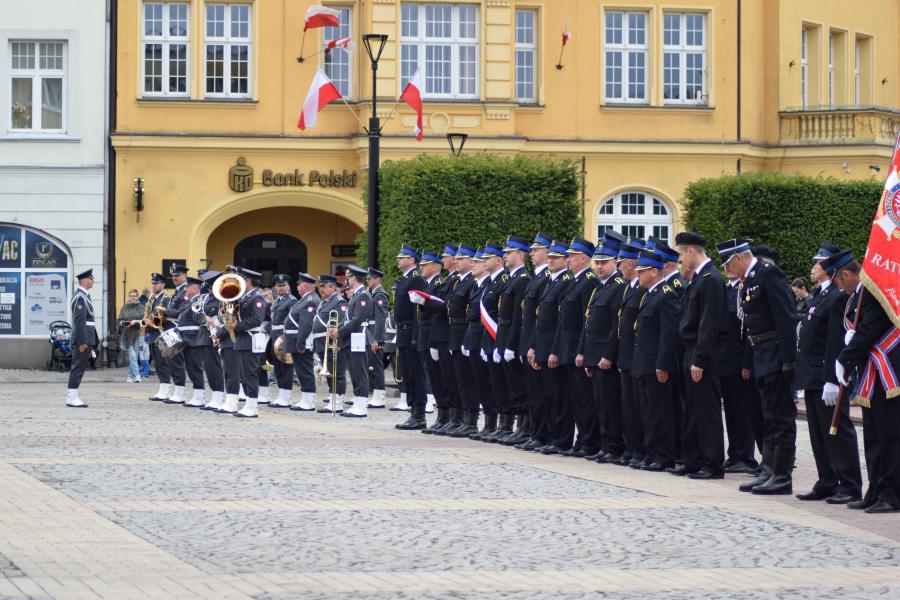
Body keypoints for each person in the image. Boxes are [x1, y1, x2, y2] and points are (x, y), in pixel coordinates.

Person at [717, 239, 798, 495]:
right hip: (762, 354)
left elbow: (785, 317)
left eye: (729, 263)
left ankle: (782, 475)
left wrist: (788, 359)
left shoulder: (768, 273)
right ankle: (769, 470)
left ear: (740, 257)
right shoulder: (750, 278)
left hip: (775, 354)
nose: (727, 269)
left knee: (781, 418)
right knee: (768, 417)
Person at [794, 244, 863, 504]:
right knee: (818, 433)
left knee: (837, 430)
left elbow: (836, 339)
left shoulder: (838, 297)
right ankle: (827, 480)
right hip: (813, 374)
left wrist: (834, 380)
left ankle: (849, 484)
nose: (817, 266)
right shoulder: (820, 295)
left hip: (828, 374)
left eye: (821, 262)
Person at [832, 250, 897, 513]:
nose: (838, 286)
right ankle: (875, 489)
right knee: (872, 436)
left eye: (838, 280)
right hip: (871, 375)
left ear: (846, 274)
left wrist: (845, 358)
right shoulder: (857, 296)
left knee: (889, 437)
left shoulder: (875, 292)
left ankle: (892, 494)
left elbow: (870, 329)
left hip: (888, 375)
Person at [674, 232, 726, 479]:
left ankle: (712, 463)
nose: (681, 260)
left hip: (702, 352)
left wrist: (700, 359)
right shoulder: (699, 279)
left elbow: (709, 324)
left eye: (682, 254)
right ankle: (693, 459)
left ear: (692, 251)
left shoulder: (711, 279)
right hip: (692, 350)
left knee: (707, 410)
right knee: (692, 409)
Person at [577, 231, 626, 462]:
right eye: (597, 262)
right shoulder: (599, 287)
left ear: (615, 261)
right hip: (594, 356)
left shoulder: (617, 286)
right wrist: (586, 355)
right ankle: (606, 445)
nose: (599, 266)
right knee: (600, 405)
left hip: (605, 357)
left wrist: (607, 355)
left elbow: (614, 326)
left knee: (610, 405)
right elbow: (589, 324)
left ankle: (614, 446)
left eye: (604, 262)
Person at [632, 250, 681, 471]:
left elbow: (669, 334)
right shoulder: (650, 294)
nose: (637, 274)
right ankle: (651, 453)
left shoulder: (666, 294)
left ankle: (664, 455)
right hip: (644, 362)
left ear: (653, 272)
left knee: (660, 411)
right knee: (648, 411)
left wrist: (663, 364)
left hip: (656, 365)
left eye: (642, 271)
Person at [527, 241, 572, 455]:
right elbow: (540, 320)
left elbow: (559, 322)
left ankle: (560, 439)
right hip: (543, 346)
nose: (551, 260)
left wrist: (553, 350)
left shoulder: (564, 282)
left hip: (554, 348)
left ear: (566, 260)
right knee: (545, 395)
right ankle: (544, 436)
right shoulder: (550, 282)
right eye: (550, 257)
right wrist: (534, 347)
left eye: (556, 258)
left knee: (558, 397)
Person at [555, 237, 598, 457]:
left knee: (584, 399)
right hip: (567, 348)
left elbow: (585, 321)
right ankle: (581, 440)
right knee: (575, 398)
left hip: (577, 349)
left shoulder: (589, 281)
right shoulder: (574, 281)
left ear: (583, 258)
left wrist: (582, 350)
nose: (567, 260)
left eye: (571, 256)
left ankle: (588, 441)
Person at [513, 233, 552, 450]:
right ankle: (535, 432)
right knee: (532, 392)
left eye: (537, 250)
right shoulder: (537, 277)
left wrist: (533, 345)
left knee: (540, 393)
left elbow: (540, 317)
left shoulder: (545, 277)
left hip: (536, 343)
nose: (533, 253)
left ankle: (541, 434)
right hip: (527, 341)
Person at [613, 238, 648, 468]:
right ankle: (631, 447)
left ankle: (642, 449)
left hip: (637, 357)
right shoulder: (629, 288)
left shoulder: (644, 290)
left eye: (621, 261)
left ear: (629, 264)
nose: (618, 266)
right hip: (624, 355)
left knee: (640, 406)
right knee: (628, 406)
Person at [495, 236, 532, 445]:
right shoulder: (512, 278)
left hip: (512, 338)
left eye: (509, 253)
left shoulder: (523, 279)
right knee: (510, 385)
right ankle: (513, 425)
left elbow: (519, 316)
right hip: (504, 335)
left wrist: (510, 344)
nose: (505, 256)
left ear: (520, 255)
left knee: (519, 385)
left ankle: (524, 427)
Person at [476, 243, 510, 441]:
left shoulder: (503, 280)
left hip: (497, 338)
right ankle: (492, 423)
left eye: (487, 258)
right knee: (489, 384)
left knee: (501, 384)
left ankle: (504, 424)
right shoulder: (488, 282)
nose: (483, 262)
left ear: (498, 260)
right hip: (487, 339)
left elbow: (500, 314)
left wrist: (501, 343)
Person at [445, 245, 479, 437]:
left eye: (461, 259)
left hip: (464, 331)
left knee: (467, 380)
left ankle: (470, 420)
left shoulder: (471, 282)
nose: (456, 261)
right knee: (457, 379)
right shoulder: (458, 282)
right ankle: (458, 418)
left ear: (471, 262)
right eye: (455, 258)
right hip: (454, 332)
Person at [394, 246, 428, 430]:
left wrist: (416, 336)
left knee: (416, 374)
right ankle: (413, 411)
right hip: (402, 332)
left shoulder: (416, 279)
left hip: (411, 331)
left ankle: (420, 414)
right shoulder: (405, 279)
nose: (398, 259)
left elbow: (418, 310)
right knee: (407, 374)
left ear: (412, 260)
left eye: (402, 257)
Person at [337, 265, 374, 417]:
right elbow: (348, 319)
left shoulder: (363, 295)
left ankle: (361, 406)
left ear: (353, 277)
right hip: (353, 338)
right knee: (354, 372)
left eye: (349, 277)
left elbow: (357, 320)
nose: (347, 279)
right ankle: (357, 403)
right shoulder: (357, 295)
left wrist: (339, 331)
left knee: (360, 372)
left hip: (359, 337)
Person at [283, 273, 321, 411]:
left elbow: (306, 325)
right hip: (298, 340)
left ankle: (309, 401)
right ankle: (306, 398)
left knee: (304, 371)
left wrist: (300, 343)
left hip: (302, 341)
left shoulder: (310, 300)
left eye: (299, 284)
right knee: (301, 371)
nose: (297, 287)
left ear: (304, 285)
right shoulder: (306, 299)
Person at [312, 274, 348, 413]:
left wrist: (338, 342)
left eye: (324, 286)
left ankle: (338, 402)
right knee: (328, 373)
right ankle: (332, 398)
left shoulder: (339, 302)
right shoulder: (324, 302)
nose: (321, 289)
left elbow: (342, 323)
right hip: (321, 342)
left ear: (333, 287)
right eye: (320, 286)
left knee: (337, 373)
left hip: (333, 342)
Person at [416, 250, 445, 422]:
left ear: (435, 266)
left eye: (424, 265)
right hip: (424, 332)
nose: (421, 268)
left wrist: (423, 302)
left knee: (437, 375)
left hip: (432, 332)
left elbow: (439, 308)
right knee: (431, 374)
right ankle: (441, 417)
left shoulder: (439, 282)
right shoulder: (427, 284)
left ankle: (445, 416)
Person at [173, 276, 208, 407]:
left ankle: (200, 397)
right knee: (190, 368)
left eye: (188, 287)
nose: (186, 289)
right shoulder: (190, 301)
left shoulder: (197, 301)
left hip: (194, 339)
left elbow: (198, 319)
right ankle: (197, 395)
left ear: (194, 288)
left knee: (195, 368)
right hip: (187, 339)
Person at [66, 269, 98, 408]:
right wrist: (83, 342)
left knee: (79, 367)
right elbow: (79, 322)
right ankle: (72, 398)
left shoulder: (84, 296)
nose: (93, 280)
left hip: (86, 338)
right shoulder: (80, 297)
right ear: (85, 281)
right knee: (77, 367)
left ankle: (72, 396)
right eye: (91, 278)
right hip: (82, 340)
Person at [269, 274, 298, 408]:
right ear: (275, 287)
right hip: (274, 335)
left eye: (283, 285)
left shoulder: (292, 301)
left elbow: (291, 321)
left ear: (288, 286)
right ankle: (281, 395)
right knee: (278, 367)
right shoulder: (275, 301)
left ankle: (286, 397)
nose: (281, 288)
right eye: (278, 286)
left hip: (284, 336)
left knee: (286, 366)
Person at [163, 264, 190, 403]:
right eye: (173, 276)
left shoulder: (185, 291)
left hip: (177, 329)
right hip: (171, 329)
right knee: (172, 361)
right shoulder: (178, 291)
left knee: (177, 362)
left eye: (177, 276)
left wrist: (164, 311)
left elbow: (182, 311)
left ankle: (180, 394)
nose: (175, 278)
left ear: (184, 276)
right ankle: (177, 391)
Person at [145, 273, 172, 401]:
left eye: (157, 284)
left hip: (161, 334)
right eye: (153, 283)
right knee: (157, 364)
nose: (154, 286)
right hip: (153, 335)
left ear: (163, 285)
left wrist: (152, 322)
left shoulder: (165, 299)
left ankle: (165, 391)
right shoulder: (153, 299)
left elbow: (166, 319)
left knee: (163, 364)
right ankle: (162, 389)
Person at [366, 268, 389, 409]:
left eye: (370, 278)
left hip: (375, 335)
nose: (368, 281)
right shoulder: (374, 294)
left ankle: (379, 396)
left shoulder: (380, 295)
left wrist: (375, 339)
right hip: (371, 334)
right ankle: (376, 394)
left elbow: (380, 319)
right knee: (372, 366)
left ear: (377, 279)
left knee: (377, 367)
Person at [117, 289, 146, 383]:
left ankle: (130, 376)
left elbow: (145, 321)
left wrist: (136, 322)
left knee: (134, 355)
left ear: (137, 297)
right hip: (127, 334)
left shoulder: (142, 307)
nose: (133, 297)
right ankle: (137, 375)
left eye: (134, 295)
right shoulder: (125, 307)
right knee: (133, 355)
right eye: (131, 296)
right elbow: (119, 320)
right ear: (129, 297)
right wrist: (124, 323)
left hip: (138, 333)